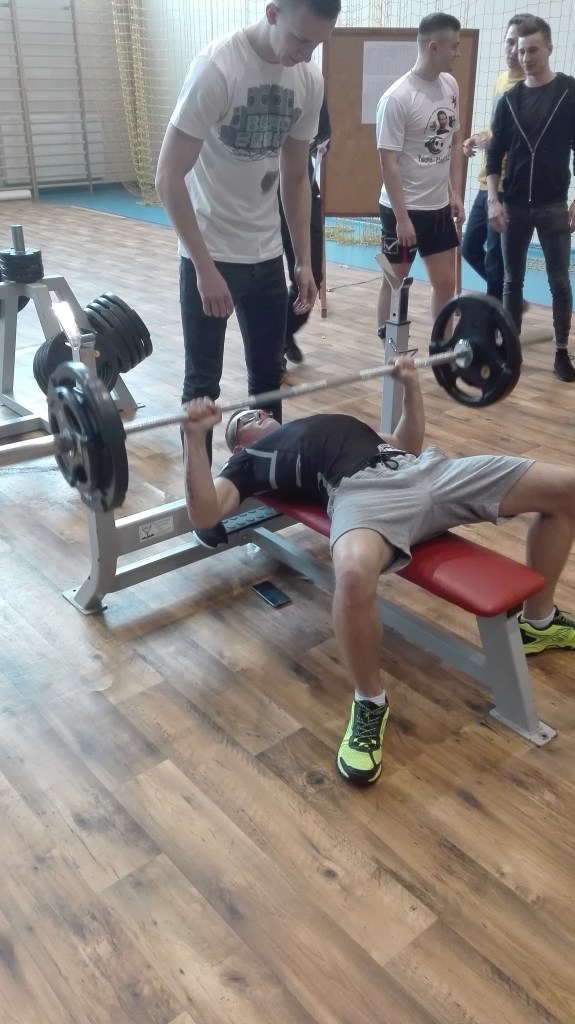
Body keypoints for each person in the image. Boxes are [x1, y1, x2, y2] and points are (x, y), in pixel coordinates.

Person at [181, 358, 575, 786]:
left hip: (428, 471)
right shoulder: (246, 465)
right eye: (245, 419)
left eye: (259, 410)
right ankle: (369, 702)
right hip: (363, 495)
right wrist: (194, 437)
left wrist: (410, 384)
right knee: (352, 575)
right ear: (238, 446)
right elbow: (204, 514)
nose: (259, 413)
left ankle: (538, 622)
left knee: (567, 489)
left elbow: (407, 442)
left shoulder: (328, 424)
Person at [155, 0, 340, 474]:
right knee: (203, 387)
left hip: (266, 254)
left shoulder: (309, 79)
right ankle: (200, 496)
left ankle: (267, 480)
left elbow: (295, 178)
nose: (306, 54)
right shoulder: (217, 68)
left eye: (318, 44)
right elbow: (168, 178)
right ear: (272, 13)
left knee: (268, 380)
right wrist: (203, 267)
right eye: (301, 40)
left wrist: (303, 261)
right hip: (211, 253)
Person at [486, 15, 575, 382]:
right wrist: (493, 200)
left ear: (549, 49)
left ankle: (561, 351)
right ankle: (512, 351)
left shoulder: (569, 91)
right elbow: (494, 156)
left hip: (554, 204)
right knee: (512, 281)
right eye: (521, 51)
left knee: (559, 281)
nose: (525, 57)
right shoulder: (508, 101)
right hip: (515, 205)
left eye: (533, 50)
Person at [375, 12, 465, 341]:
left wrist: (456, 193)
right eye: (454, 46)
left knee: (446, 282)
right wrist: (402, 219)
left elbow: (454, 140)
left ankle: (442, 350)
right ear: (433, 47)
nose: (458, 53)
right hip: (403, 210)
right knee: (395, 283)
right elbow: (388, 163)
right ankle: (391, 352)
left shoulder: (450, 85)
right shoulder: (397, 98)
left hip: (438, 208)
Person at [461, 15, 527, 301]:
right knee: (469, 248)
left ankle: (495, 316)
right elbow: (496, 128)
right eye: (509, 42)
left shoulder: (528, 87)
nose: (513, 51)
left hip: (508, 186)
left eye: (519, 45)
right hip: (486, 184)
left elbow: (526, 139)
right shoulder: (501, 80)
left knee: (495, 260)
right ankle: (508, 299)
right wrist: (477, 137)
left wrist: (497, 142)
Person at [279, 97, 331, 365]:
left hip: (302, 191)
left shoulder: (311, 84)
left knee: (311, 280)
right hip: (262, 196)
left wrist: (319, 144)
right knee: (265, 284)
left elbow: (323, 135)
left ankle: (282, 334)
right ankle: (270, 349)